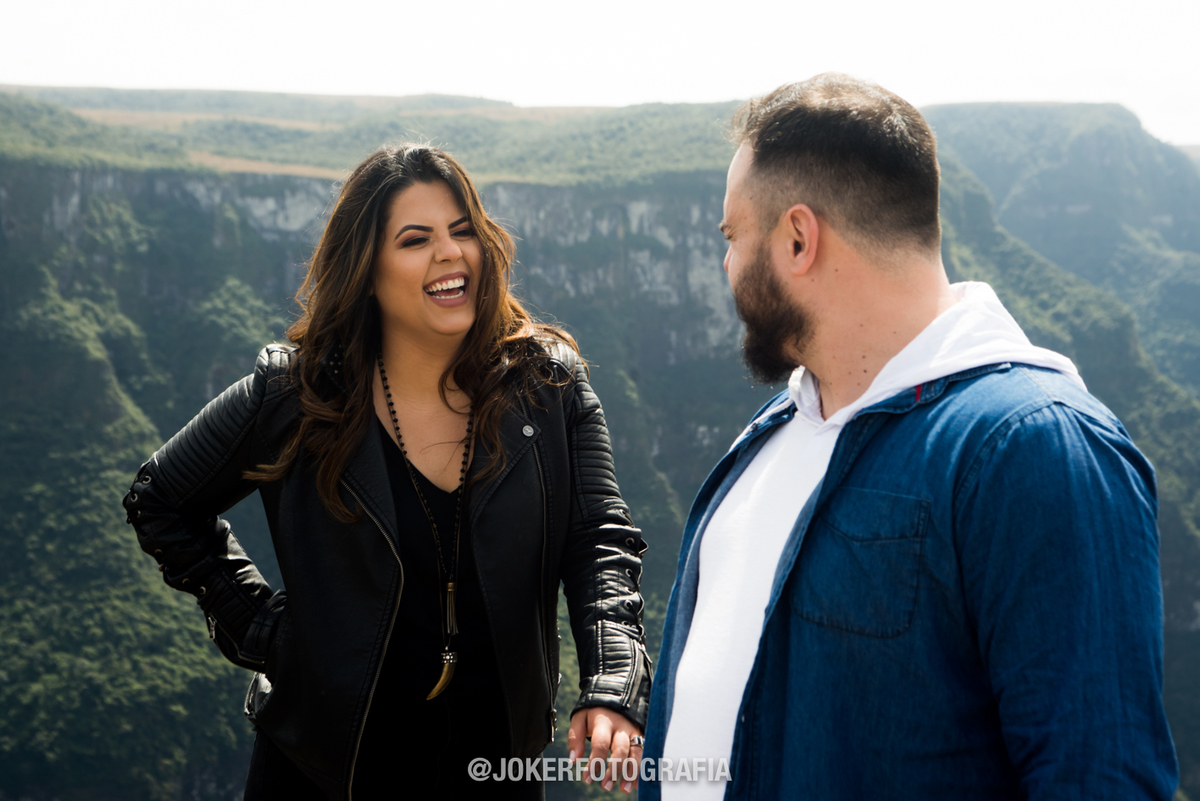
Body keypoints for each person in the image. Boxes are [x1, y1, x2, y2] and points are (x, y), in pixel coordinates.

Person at [641, 74, 1178, 799]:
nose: (726, 263)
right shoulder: (775, 430)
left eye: (733, 236)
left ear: (798, 238)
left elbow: (1098, 775)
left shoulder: (1036, 448)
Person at [123, 144, 651, 799]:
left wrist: (612, 681)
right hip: (324, 774)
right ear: (367, 270)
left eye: (463, 230)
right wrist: (262, 629)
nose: (450, 253)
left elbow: (598, 539)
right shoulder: (294, 395)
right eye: (415, 239)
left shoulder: (549, 387)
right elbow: (159, 499)